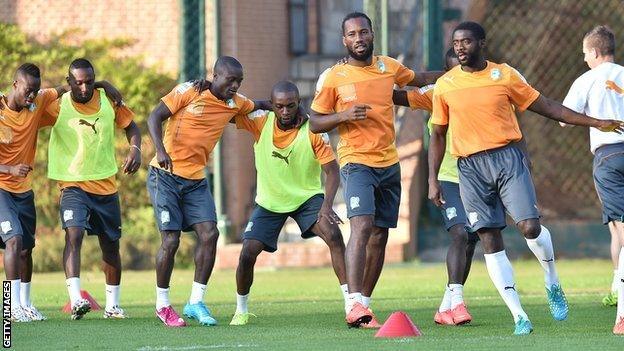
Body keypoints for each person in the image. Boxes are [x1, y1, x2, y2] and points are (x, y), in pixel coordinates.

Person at [430, 21, 624, 335]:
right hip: (469, 168)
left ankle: (551, 279)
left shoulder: (504, 75)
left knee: (529, 227)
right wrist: (432, 180)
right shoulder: (446, 85)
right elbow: (438, 134)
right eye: (456, 42)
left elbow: (549, 107)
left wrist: (596, 121)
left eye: (466, 41)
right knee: (489, 238)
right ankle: (519, 315)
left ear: (482, 43)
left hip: (508, 158)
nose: (460, 47)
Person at [310, 11, 443, 328]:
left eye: (363, 32)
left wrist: (455, 74)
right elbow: (314, 122)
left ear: (372, 34)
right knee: (362, 226)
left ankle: (365, 305)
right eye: (352, 34)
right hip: (356, 162)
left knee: (380, 235)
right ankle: (353, 304)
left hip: (389, 163)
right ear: (344, 40)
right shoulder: (334, 78)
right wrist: (342, 117)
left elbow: (417, 79)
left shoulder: (388, 67)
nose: (359, 39)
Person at [147, 56, 272, 327]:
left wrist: (288, 108)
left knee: (210, 233)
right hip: (164, 176)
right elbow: (154, 116)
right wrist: (160, 150)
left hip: (195, 181)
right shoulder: (189, 91)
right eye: (230, 80)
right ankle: (163, 305)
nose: (235, 86)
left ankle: (195, 301)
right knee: (170, 241)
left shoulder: (236, 102)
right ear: (215, 76)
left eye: (239, 81)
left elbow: (261, 105)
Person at [0, 62, 122, 322]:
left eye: (35, 91)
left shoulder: (38, 101)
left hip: (23, 189)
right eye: (27, 91)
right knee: (13, 241)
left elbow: (73, 85)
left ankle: (25, 304)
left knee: (25, 250)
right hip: (1, 187)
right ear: (14, 86)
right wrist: (9, 168)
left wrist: (104, 85)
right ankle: (9, 307)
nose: (31, 97)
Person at [228, 81, 347, 325]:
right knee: (247, 253)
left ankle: (352, 303)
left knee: (334, 235)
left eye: (290, 106)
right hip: (270, 202)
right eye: (279, 106)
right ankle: (241, 309)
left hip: (306, 199)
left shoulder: (314, 130)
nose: (285, 112)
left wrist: (326, 206)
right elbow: (227, 109)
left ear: (298, 104)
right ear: (271, 105)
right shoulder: (260, 121)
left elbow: (333, 172)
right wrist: (253, 103)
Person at [45, 58, 141, 320]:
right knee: (73, 235)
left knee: (110, 246)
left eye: (90, 81)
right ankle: (76, 299)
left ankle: (113, 306)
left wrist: (135, 149)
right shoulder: (57, 105)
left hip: (106, 186)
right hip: (73, 184)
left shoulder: (109, 99)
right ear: (69, 83)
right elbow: (30, 108)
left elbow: (131, 126)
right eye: (78, 83)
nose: (85, 88)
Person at [393, 48, 479, 326]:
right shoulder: (437, 92)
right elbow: (394, 94)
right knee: (460, 234)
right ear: (445, 73)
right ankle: (457, 302)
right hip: (448, 178)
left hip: (479, 178)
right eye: (453, 72)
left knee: (473, 238)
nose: (459, 77)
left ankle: (446, 307)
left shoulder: (485, 88)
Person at [561, 25, 624, 334]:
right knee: (618, 226)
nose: (583, 57)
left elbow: (563, 117)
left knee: (619, 224)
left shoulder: (587, 79)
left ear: (596, 52)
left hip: (608, 157)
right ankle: (617, 285)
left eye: (585, 52)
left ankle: (619, 288)